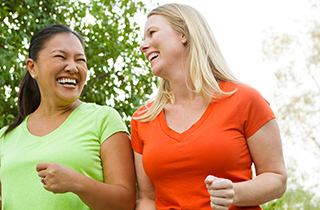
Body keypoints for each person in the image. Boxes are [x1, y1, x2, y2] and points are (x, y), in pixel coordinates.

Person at [131, 3, 287, 210]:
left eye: (152, 33)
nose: (143, 45)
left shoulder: (245, 99)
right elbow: (147, 198)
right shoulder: (142, 119)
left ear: (184, 34)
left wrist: (235, 193)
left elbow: (276, 178)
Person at [0, 24, 136, 210]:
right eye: (60, 57)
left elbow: (126, 203)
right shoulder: (4, 138)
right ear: (33, 68)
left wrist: (77, 182)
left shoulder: (104, 119)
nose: (73, 68)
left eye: (80, 60)